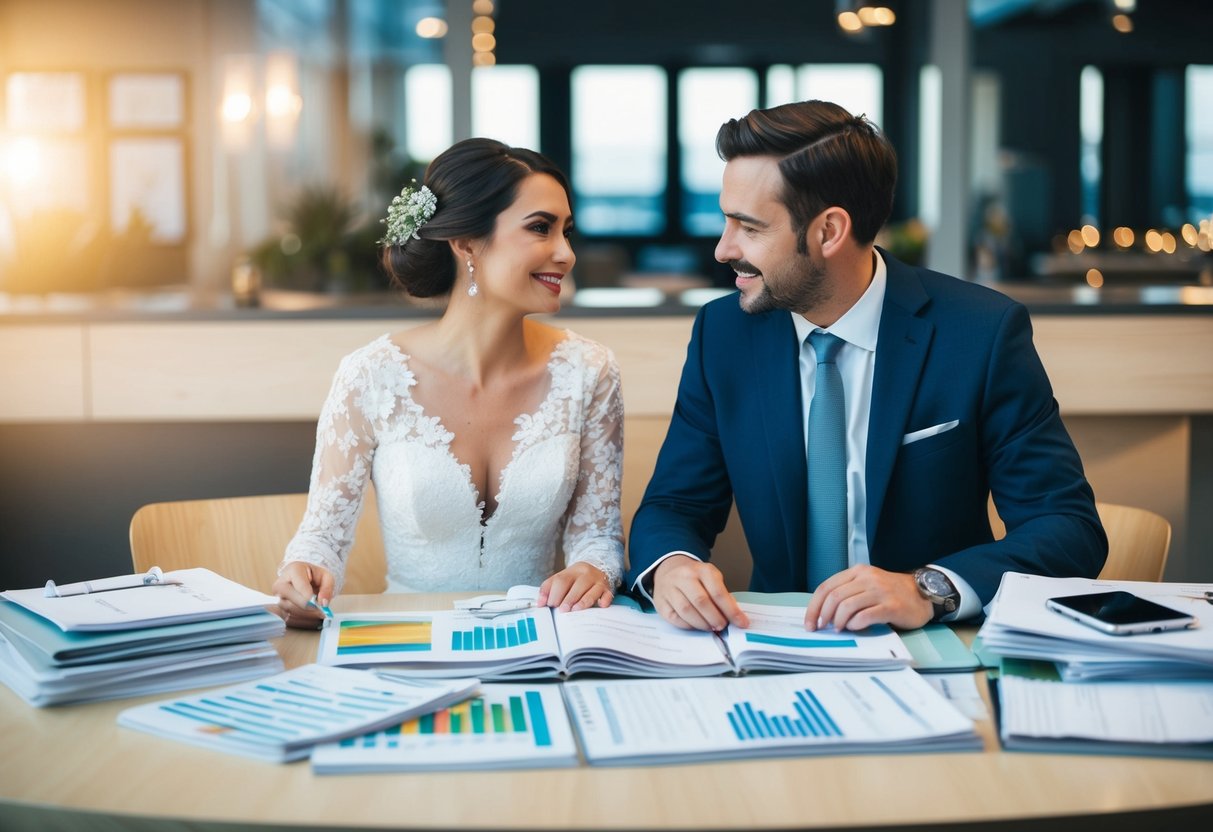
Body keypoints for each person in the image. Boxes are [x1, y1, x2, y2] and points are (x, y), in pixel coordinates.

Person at [627, 100, 1106, 634]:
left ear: (829, 231)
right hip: (773, 645)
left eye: (749, 227)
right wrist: (672, 565)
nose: (722, 249)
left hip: (932, 646)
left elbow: (1067, 528)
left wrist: (927, 588)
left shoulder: (980, 332)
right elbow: (674, 504)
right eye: (726, 220)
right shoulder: (723, 334)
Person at [274, 138, 624, 629]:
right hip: (409, 640)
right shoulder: (370, 375)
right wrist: (305, 574)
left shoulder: (590, 371)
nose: (565, 253)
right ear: (465, 243)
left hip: (540, 639)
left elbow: (598, 537)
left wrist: (594, 569)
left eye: (567, 231)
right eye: (540, 228)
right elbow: (321, 538)